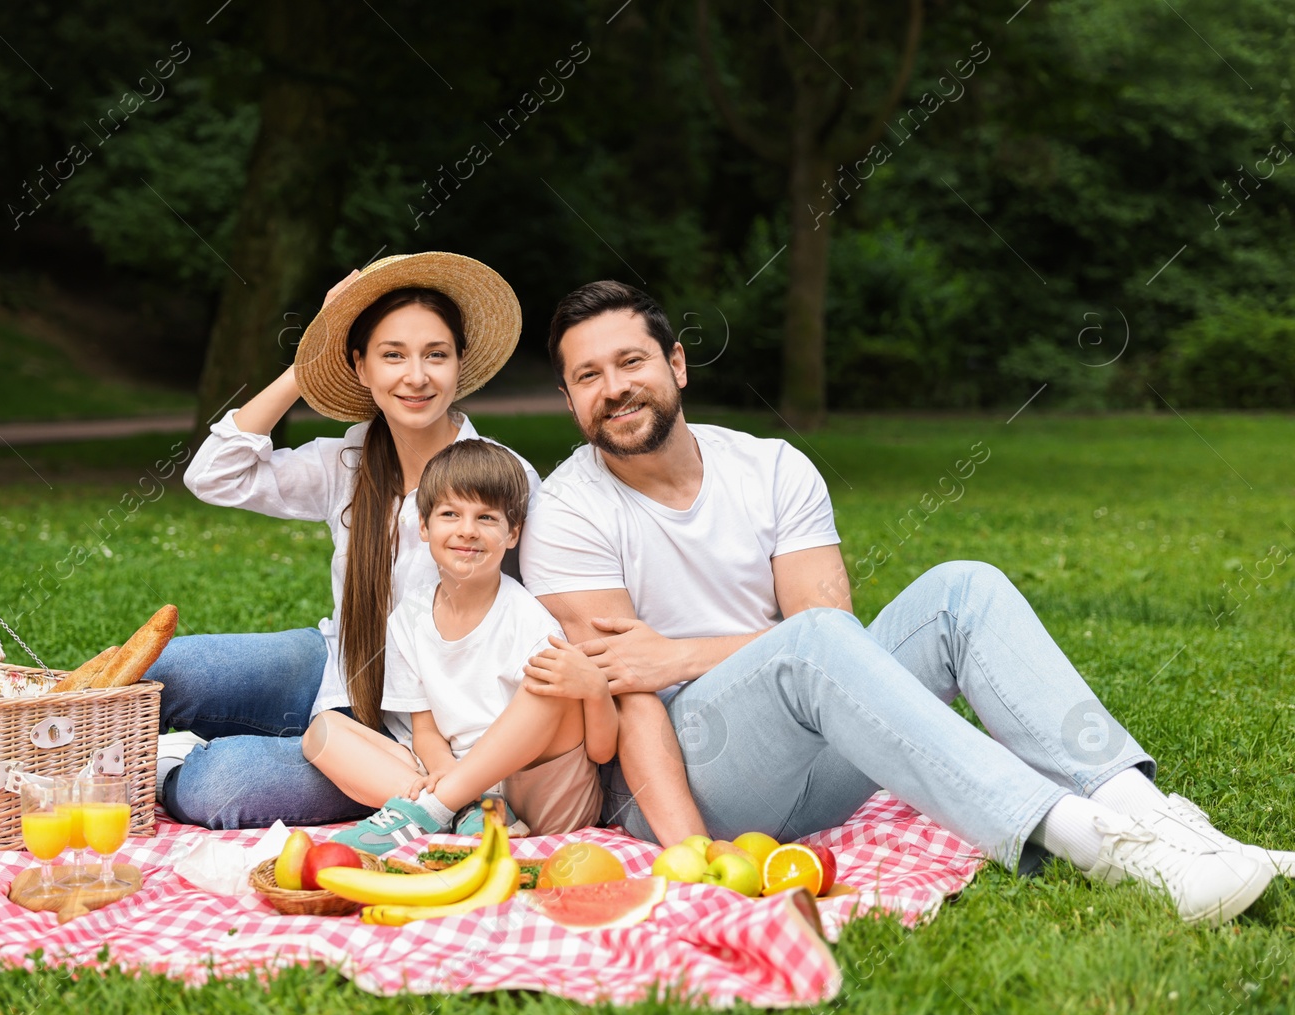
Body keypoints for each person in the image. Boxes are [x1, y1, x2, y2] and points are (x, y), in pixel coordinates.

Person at [518, 279, 1288, 927]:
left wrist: (683, 651)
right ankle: (1097, 845)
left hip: (811, 761)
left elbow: (825, 628)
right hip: (674, 785)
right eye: (588, 376)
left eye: (630, 361)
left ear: (677, 364)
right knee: (812, 643)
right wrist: (754, 649)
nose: (614, 387)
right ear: (569, 398)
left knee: (962, 587)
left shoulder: (771, 467)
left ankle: (1152, 819)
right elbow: (631, 684)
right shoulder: (570, 510)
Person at [145, 252, 539, 830]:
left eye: (436, 355)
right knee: (164, 669)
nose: (416, 376)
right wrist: (310, 359)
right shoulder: (347, 461)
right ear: (360, 366)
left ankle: (171, 765)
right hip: (337, 666)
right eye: (392, 355)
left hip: (417, 730)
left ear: (459, 365)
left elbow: (544, 620)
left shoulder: (503, 480)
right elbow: (213, 475)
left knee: (220, 784)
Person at [303, 439, 616, 853]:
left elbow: (601, 749)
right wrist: (449, 776)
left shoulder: (527, 619)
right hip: (457, 786)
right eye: (451, 514)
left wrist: (594, 690)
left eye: (486, 517)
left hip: (541, 795)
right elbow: (426, 731)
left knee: (549, 681)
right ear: (425, 526)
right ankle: (464, 810)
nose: (467, 529)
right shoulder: (408, 620)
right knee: (322, 731)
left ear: (512, 533)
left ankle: (435, 808)